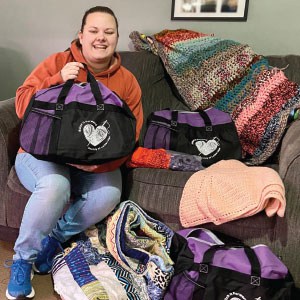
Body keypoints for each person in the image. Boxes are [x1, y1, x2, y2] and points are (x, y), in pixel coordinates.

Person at [6, 6, 143, 300]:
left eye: (108, 32)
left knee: (107, 194)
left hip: (95, 164)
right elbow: (21, 107)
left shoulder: (127, 81)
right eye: (93, 31)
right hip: (42, 156)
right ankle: (22, 260)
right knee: (56, 185)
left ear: (117, 37)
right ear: (81, 35)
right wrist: (55, 80)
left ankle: (53, 240)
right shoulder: (57, 62)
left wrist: (102, 165)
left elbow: (133, 133)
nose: (101, 38)